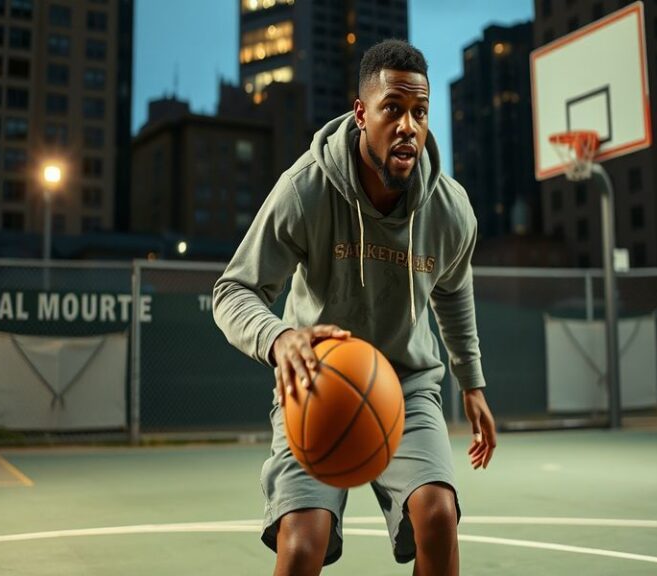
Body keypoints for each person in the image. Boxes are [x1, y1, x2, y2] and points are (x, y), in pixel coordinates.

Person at [213, 39, 497, 576]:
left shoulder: (450, 210)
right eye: (394, 109)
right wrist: (280, 339)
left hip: (408, 385)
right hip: (316, 381)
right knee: (302, 544)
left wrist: (472, 382)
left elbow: (453, 289)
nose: (409, 126)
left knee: (438, 515)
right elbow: (232, 291)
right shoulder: (307, 190)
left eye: (420, 111)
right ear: (361, 113)